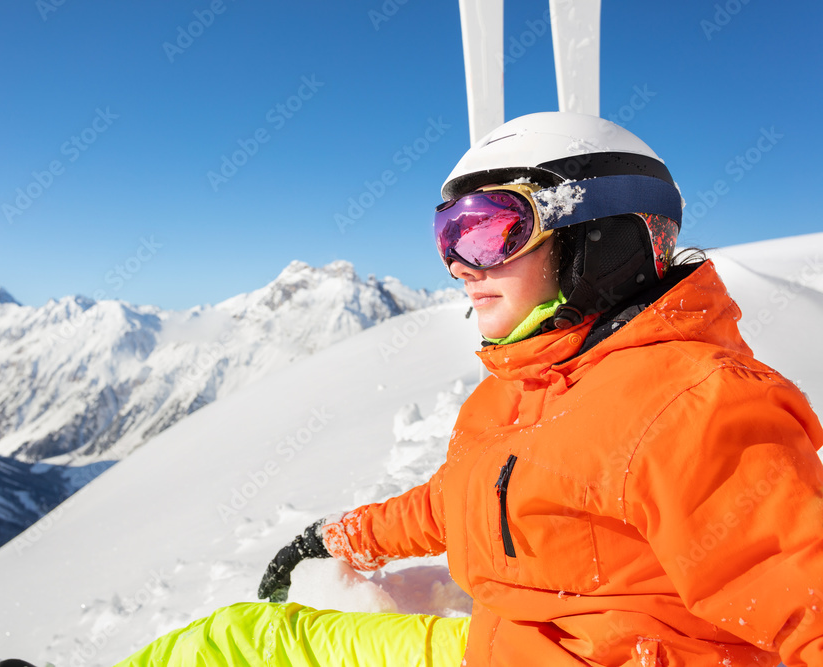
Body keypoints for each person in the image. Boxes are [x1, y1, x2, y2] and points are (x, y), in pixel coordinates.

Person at [112, 112, 823, 666]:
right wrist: (340, 536)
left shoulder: (697, 405)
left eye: (488, 231)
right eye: (447, 234)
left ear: (599, 239)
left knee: (240, 645)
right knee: (239, 636)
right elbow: (470, 499)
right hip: (499, 647)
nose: (459, 263)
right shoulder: (528, 387)